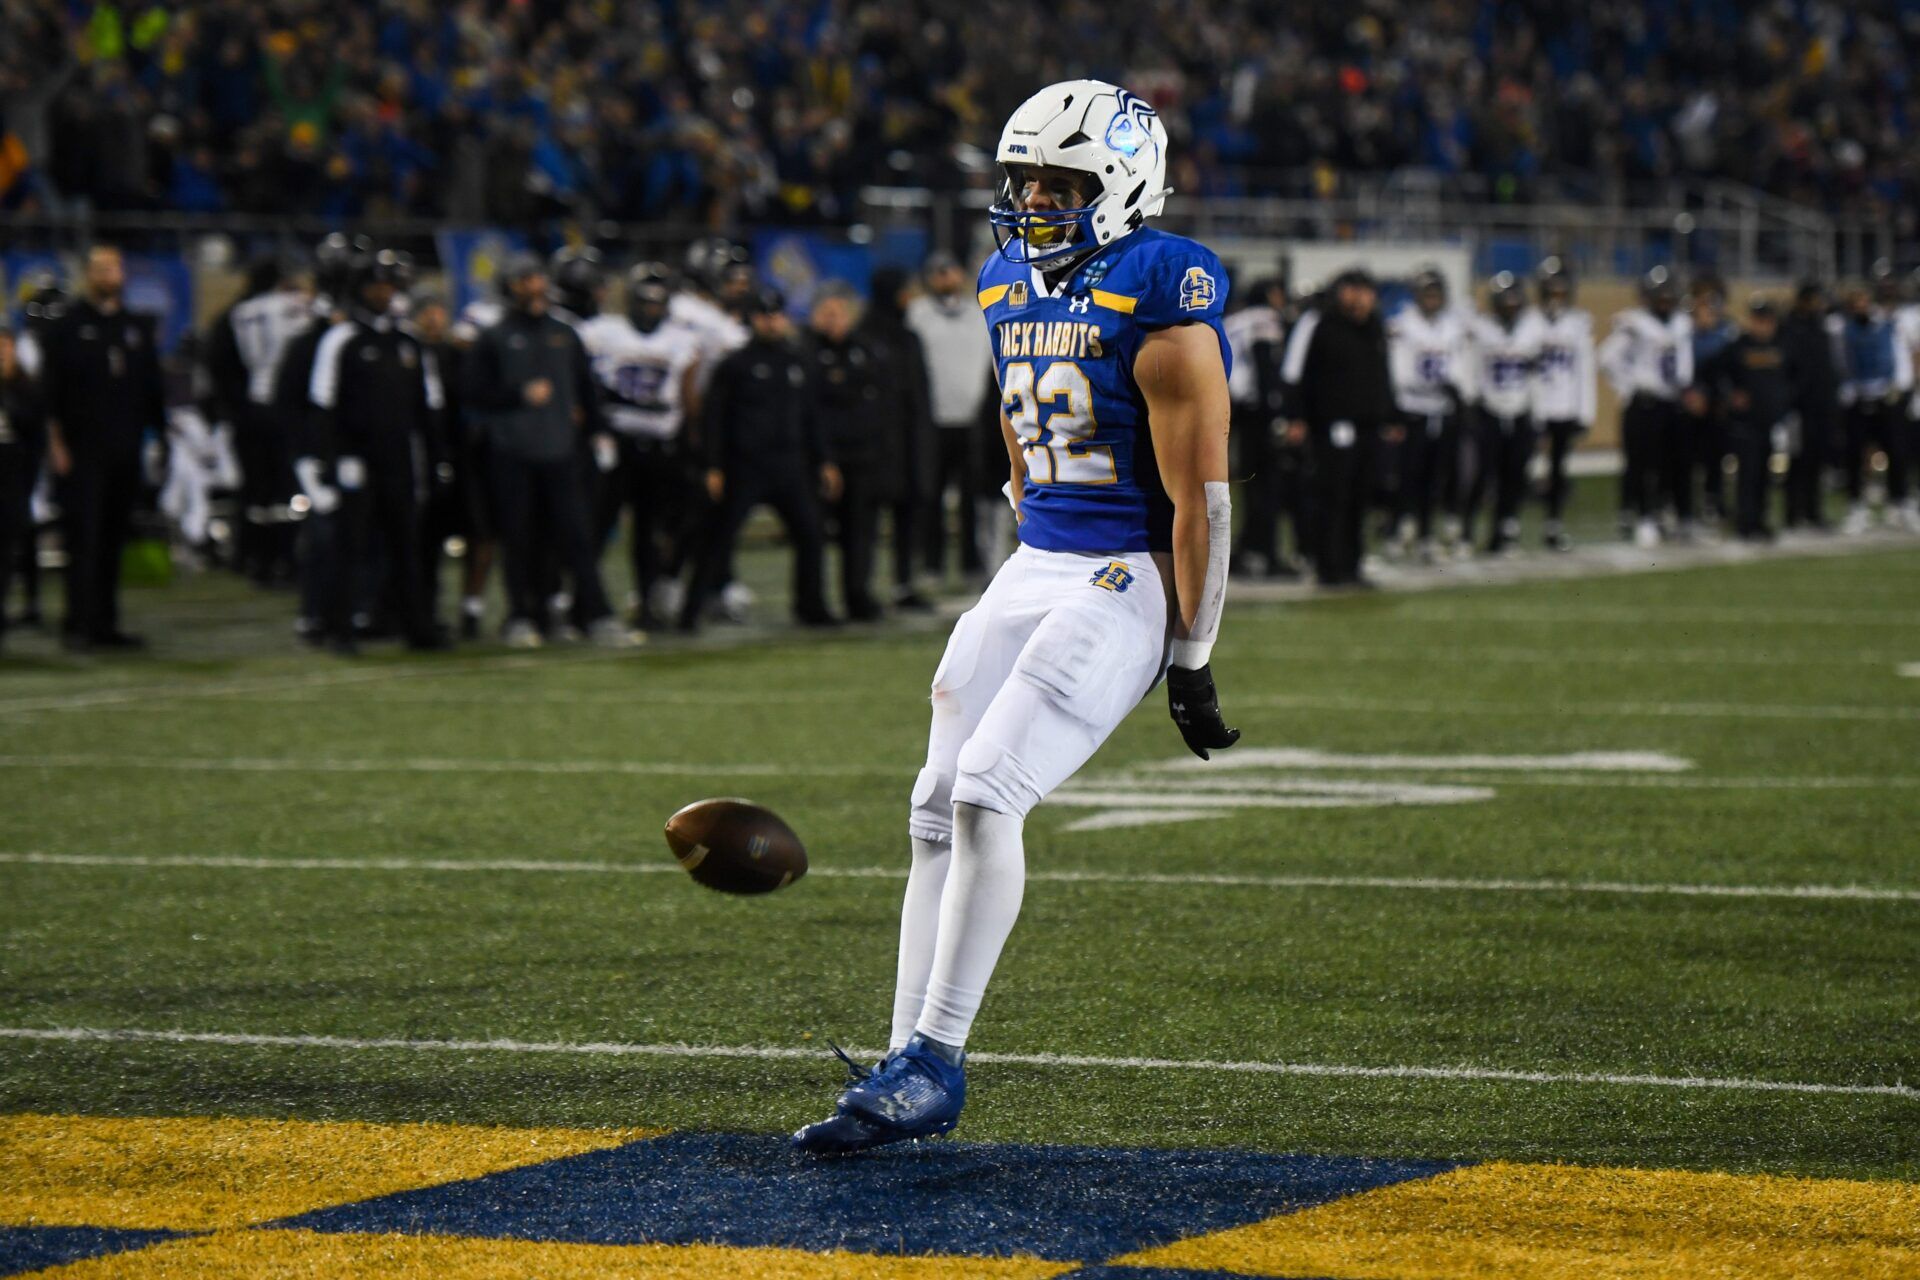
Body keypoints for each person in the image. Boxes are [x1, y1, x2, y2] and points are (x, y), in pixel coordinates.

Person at [792, 79, 1239, 1154]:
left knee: (992, 791)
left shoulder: (1162, 292)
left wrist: (1192, 656)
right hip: (1034, 558)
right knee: (934, 804)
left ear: (1123, 184)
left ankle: (937, 1057)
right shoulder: (1003, 280)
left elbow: (1204, 503)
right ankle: (902, 1063)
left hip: (1120, 571)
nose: (1035, 199)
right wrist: (1021, 506)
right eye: (1026, 178)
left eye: (1062, 181)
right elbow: (1012, 404)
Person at [465, 255, 630, 648]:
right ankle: (521, 616)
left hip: (560, 452)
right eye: (525, 281)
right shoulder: (495, 336)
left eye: (537, 279)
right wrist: (518, 395)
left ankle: (596, 615)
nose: (535, 288)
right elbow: (472, 393)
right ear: (509, 287)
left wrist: (599, 433)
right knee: (519, 539)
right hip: (512, 453)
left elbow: (587, 391)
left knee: (576, 538)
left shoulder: (564, 333)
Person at [306, 250, 449, 654]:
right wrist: (332, 461)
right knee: (350, 547)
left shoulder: (409, 344)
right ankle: (340, 629)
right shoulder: (342, 339)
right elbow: (322, 404)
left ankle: (415, 626)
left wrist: (437, 458)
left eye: (389, 285)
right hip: (358, 460)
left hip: (400, 459)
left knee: (407, 546)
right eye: (376, 286)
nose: (384, 293)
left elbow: (428, 407)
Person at [678, 288, 839, 632]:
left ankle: (812, 606)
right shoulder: (735, 364)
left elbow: (812, 416)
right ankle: (690, 611)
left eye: (777, 314)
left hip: (791, 466)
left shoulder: (798, 360)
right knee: (718, 538)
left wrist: (824, 460)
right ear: (754, 319)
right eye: (765, 315)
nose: (772, 321)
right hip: (745, 467)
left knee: (811, 534)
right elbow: (714, 418)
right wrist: (713, 465)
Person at [40, 243, 168, 651]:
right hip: (81, 450)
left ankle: (107, 622)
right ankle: (77, 623)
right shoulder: (67, 326)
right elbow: (51, 394)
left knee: (114, 536)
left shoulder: (136, 327)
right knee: (84, 537)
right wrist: (56, 445)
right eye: (101, 268)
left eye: (115, 267)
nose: (109, 274)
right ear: (88, 275)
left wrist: (159, 438)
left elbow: (152, 390)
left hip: (126, 449)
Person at [578, 262, 705, 629]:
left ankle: (648, 602)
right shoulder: (600, 332)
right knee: (598, 525)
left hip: (660, 445)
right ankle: (583, 601)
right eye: (645, 300)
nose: (651, 308)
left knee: (649, 532)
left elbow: (688, 396)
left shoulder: (681, 339)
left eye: (657, 302)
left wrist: (690, 439)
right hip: (615, 443)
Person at [1281, 267, 1394, 586]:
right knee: (1333, 495)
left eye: (1365, 291)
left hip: (1369, 426)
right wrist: (1295, 416)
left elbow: (1383, 375)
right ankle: (1328, 566)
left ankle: (1352, 564)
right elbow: (1293, 373)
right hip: (1330, 425)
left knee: (1360, 497)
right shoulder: (1318, 323)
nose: (1359, 298)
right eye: (1353, 289)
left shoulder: (1374, 327)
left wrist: (1389, 415)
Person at [204, 255, 310, 584]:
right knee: (285, 489)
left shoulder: (237, 314)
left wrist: (233, 406)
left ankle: (251, 557)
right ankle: (284, 558)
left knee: (254, 491)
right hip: (282, 406)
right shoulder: (296, 306)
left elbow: (218, 365)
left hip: (251, 407)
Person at [906, 250, 996, 584]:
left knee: (972, 495)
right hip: (932, 420)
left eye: (950, 271)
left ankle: (971, 561)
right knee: (931, 494)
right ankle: (931, 562)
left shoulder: (979, 313)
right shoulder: (917, 314)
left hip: (971, 420)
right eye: (938, 273)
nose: (945, 279)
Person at [808, 284, 889, 621]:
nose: (833, 321)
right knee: (814, 533)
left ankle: (858, 595)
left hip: (862, 457)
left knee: (861, 532)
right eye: (827, 314)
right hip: (823, 459)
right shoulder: (807, 354)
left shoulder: (864, 351)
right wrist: (822, 458)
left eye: (839, 314)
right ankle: (814, 602)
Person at [1599, 267, 1694, 548]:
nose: (1665, 300)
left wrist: (1685, 385)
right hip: (1645, 403)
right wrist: (1630, 385)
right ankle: (1645, 518)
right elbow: (1606, 357)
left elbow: (1684, 360)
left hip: (1673, 402)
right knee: (1642, 465)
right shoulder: (1634, 322)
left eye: (1668, 295)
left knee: (1676, 464)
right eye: (1659, 295)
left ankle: (1673, 516)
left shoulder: (1681, 321)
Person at [859, 265, 937, 610]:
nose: (909, 297)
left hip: (908, 442)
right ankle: (859, 589)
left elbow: (919, 396)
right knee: (866, 522)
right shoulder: (864, 337)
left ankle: (904, 584)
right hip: (874, 446)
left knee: (909, 514)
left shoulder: (909, 337)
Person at [1385, 266, 1472, 560]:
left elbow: (1459, 365)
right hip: (1413, 410)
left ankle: (1425, 534)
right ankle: (1399, 529)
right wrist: (1434, 384)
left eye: (1436, 294)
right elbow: (1400, 373)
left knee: (1437, 476)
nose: (1432, 299)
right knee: (1408, 474)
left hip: (1442, 411)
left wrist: (1456, 386)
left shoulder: (1451, 325)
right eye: (1427, 294)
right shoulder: (1404, 324)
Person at [1700, 297, 1798, 541]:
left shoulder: (1783, 345)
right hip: (1745, 423)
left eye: (1767, 320)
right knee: (1748, 473)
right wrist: (1729, 394)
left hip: (1771, 421)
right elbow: (1712, 371)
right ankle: (1746, 521)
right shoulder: (1739, 346)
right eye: (1758, 320)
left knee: (1766, 474)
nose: (1763, 326)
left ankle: (1760, 519)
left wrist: (1785, 401)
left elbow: (1796, 376)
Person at [1464, 272, 1544, 554]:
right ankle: (1466, 531)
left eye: (1514, 301)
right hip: (1490, 409)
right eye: (1506, 301)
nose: (1511, 306)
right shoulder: (1482, 328)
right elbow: (1470, 367)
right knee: (1483, 476)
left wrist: (1536, 412)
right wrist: (1472, 401)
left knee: (1514, 476)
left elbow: (1536, 374)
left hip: (1520, 410)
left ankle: (1504, 532)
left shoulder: (1532, 328)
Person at [1833, 281, 1916, 533]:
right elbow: (1841, 362)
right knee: (1856, 453)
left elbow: (1900, 354)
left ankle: (1899, 504)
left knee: (1896, 451)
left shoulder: (1888, 324)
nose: (1861, 307)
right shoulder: (1843, 329)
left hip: (1886, 394)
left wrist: (1901, 386)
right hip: (1858, 395)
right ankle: (1857, 506)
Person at [1532, 260, 1596, 550]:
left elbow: (1585, 370)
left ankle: (1553, 525)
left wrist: (1585, 411)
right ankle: (1504, 526)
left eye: (1561, 291)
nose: (1557, 296)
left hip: (1564, 405)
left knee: (1558, 469)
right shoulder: (1530, 321)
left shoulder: (1578, 323)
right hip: (1531, 404)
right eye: (1552, 291)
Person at [0, 324, 46, 652]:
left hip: (12, 483)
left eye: (5, 347)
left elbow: (35, 439)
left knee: (5, 556)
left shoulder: (25, 389)